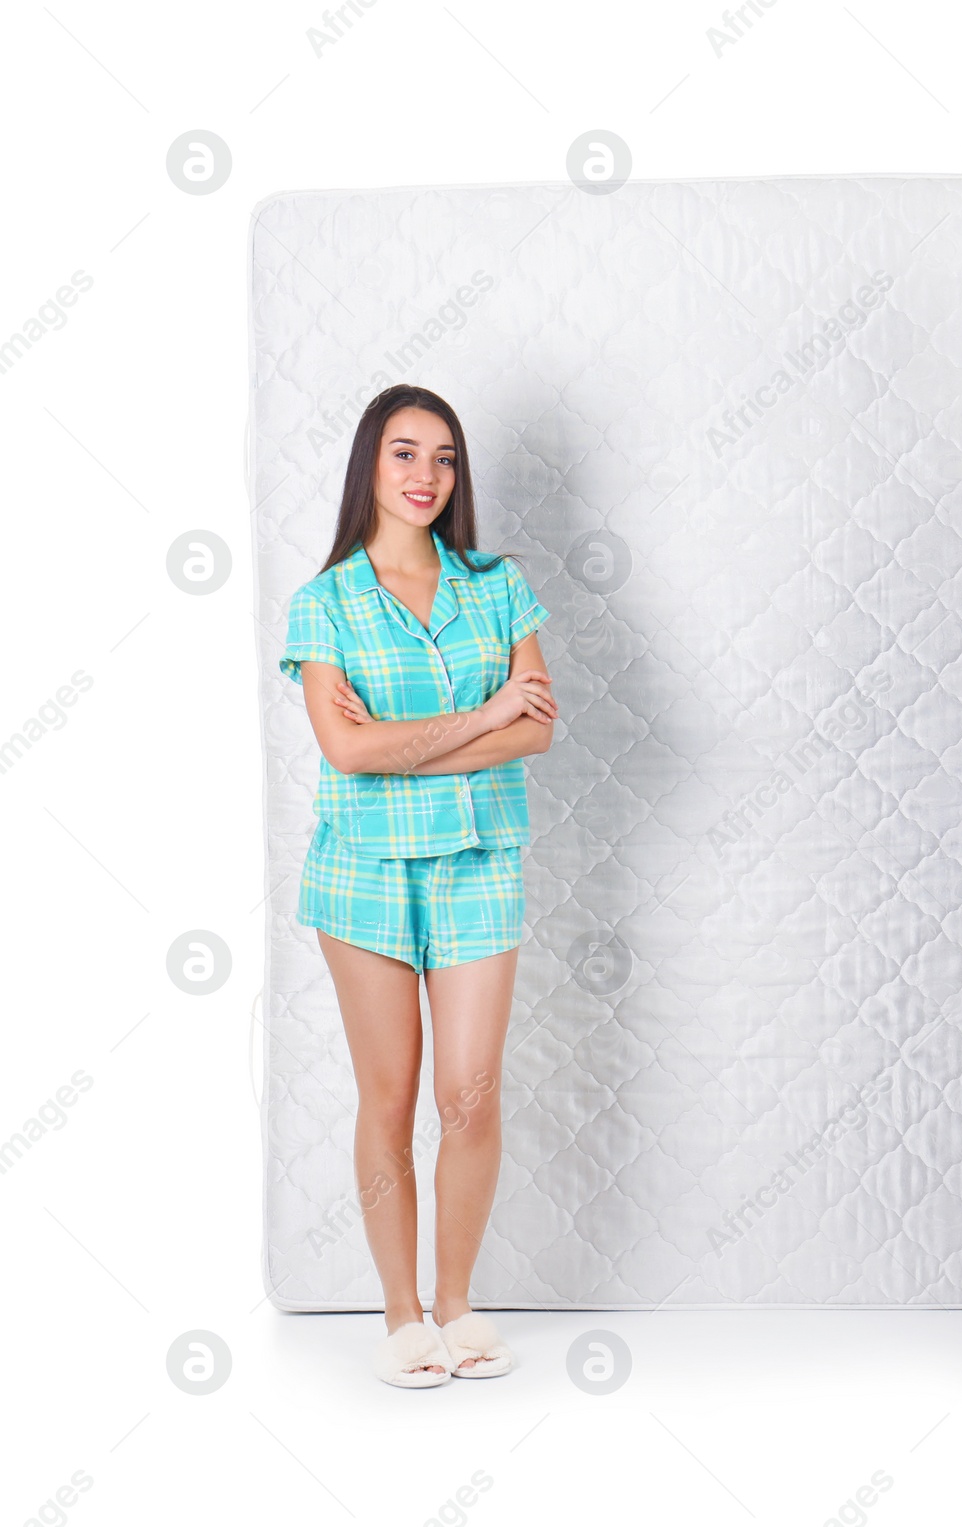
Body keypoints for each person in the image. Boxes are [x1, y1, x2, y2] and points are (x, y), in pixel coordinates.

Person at [278, 384, 557, 1387]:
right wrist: (480, 720)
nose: (425, 476)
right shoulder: (326, 602)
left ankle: (456, 1303)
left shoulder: (497, 584)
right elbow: (344, 753)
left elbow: (539, 724)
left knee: (469, 1096)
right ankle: (400, 1315)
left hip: (479, 862)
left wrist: (419, 744)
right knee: (388, 1095)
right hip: (360, 873)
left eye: (442, 457)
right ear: (371, 466)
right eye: (404, 454)